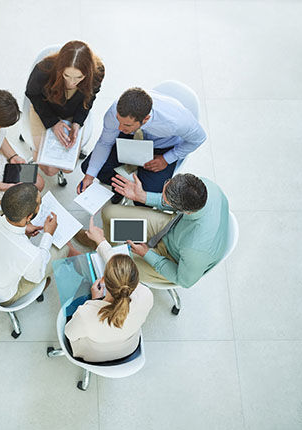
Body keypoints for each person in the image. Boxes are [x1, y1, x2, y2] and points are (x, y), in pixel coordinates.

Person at [78, 87, 207, 204]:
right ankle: (120, 189)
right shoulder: (116, 112)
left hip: (162, 148)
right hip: (132, 137)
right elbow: (105, 142)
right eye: (118, 121)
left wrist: (167, 158)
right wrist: (89, 177)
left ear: (145, 119)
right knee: (89, 168)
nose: (119, 127)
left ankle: (132, 189)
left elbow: (199, 138)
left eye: (126, 125)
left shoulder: (175, 121)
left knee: (144, 199)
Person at [101, 172, 229, 287]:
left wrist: (147, 254)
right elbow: (174, 200)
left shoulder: (196, 250)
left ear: (186, 211)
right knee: (109, 212)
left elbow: (184, 281)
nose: (162, 198)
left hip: (173, 258)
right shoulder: (203, 186)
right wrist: (143, 197)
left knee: (112, 266)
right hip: (172, 226)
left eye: (166, 200)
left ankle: (103, 251)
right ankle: (104, 243)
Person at [0, 183, 80, 306]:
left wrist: (23, 228)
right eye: (40, 204)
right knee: (64, 248)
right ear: (29, 217)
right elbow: (36, 277)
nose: (41, 205)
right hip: (0, 296)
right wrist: (48, 235)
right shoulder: (31, 255)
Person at [64, 217, 153, 362]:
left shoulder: (85, 313)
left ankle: (70, 250)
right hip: (128, 349)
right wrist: (101, 241)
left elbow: (69, 333)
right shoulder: (146, 295)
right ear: (135, 280)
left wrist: (94, 300)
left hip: (94, 356)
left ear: (103, 280)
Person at [25, 40, 105, 178]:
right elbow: (32, 94)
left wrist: (77, 122)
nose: (72, 83)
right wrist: (52, 123)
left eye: (79, 77)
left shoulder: (98, 72)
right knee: (50, 170)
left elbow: (89, 98)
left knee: (68, 168)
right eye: (66, 76)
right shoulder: (43, 69)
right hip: (45, 109)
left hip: (72, 112)